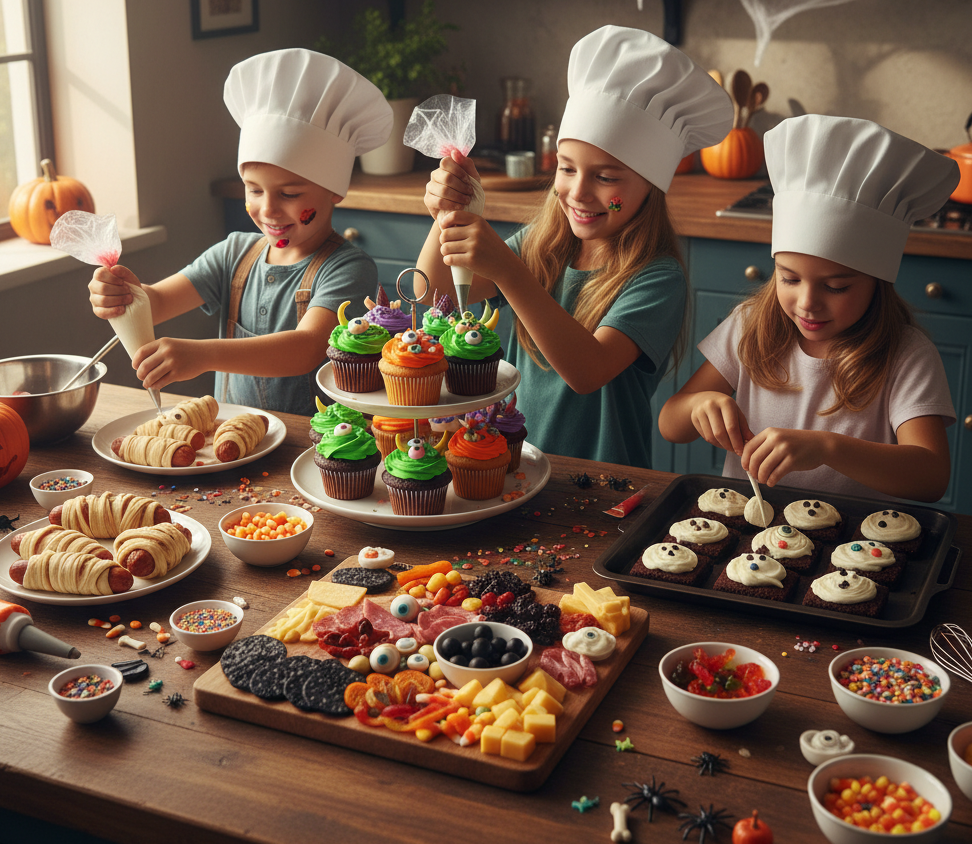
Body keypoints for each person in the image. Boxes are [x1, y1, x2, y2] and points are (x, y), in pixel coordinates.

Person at [416, 26, 733, 466]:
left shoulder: (657, 277)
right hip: (513, 467)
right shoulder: (543, 244)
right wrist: (447, 215)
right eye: (567, 169)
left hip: (603, 484)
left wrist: (508, 271)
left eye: (605, 177)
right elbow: (433, 297)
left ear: (651, 186)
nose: (579, 192)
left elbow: (587, 371)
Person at [658, 115, 959, 502]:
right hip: (749, 543)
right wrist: (700, 405)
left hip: (855, 546)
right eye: (789, 278)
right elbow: (671, 424)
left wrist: (826, 448)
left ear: (877, 283)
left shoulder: (906, 355)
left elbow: (931, 477)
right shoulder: (750, 327)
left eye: (836, 286)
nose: (807, 303)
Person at [88, 48, 392, 414]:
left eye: (290, 194)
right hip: (236, 441)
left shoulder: (349, 268)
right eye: (254, 189)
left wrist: (203, 354)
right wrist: (124, 295)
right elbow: (158, 302)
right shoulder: (234, 254)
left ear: (334, 192)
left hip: (312, 450)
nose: (268, 209)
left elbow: (306, 347)